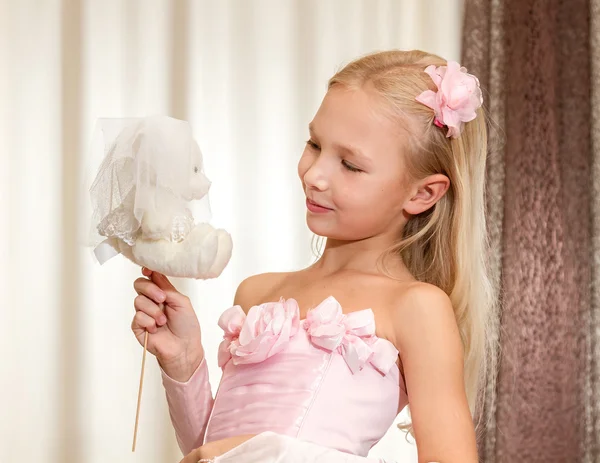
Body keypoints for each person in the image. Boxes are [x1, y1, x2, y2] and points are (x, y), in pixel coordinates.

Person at [131, 49, 498, 463]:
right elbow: (212, 452)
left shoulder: (415, 307)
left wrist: (271, 449)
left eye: (350, 165)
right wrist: (184, 360)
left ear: (422, 193)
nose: (314, 174)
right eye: (314, 144)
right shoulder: (257, 293)